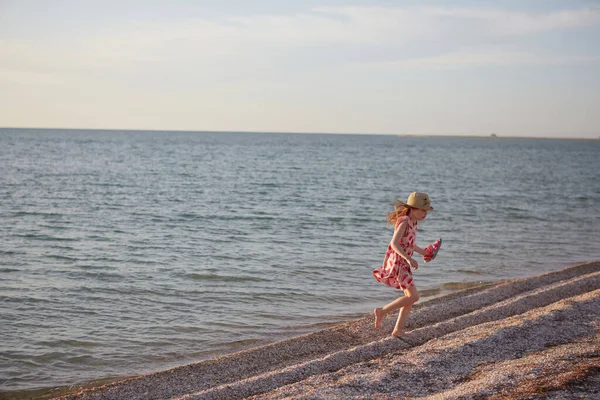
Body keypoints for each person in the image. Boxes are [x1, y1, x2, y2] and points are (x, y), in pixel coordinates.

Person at [372, 192, 441, 338]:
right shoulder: (404, 221)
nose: (425, 214)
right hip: (398, 263)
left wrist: (423, 252)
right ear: (413, 208)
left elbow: (410, 244)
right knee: (414, 296)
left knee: (409, 298)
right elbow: (394, 244)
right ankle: (382, 311)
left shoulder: (413, 222)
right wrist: (409, 259)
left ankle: (397, 330)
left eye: (426, 211)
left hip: (404, 262)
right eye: (423, 210)